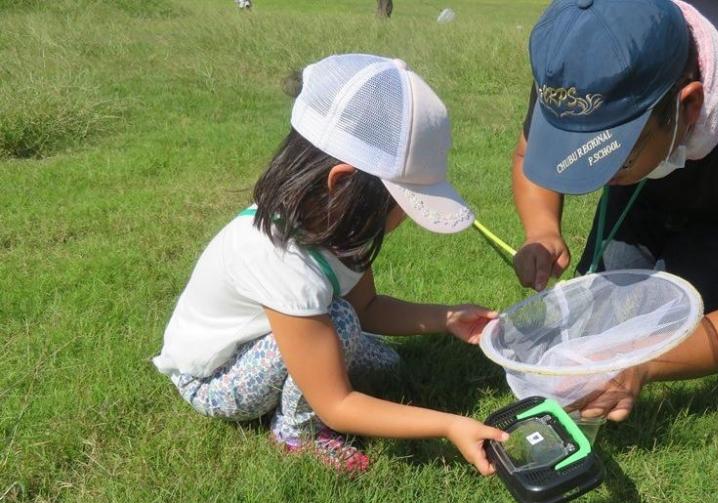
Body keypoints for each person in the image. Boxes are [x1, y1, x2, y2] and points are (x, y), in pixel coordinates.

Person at [154, 54, 507, 476]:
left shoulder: (339, 229)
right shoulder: (274, 256)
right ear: (342, 185)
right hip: (215, 380)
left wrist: (446, 318)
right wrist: (449, 424)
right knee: (339, 326)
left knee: (384, 362)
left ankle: (305, 387)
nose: (405, 219)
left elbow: (369, 308)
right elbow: (337, 404)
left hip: (279, 337)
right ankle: (295, 433)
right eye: (402, 203)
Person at [511, 0, 718, 422]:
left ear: (690, 106)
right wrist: (542, 229)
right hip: (656, 157)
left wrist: (642, 363)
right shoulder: (575, 72)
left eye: (614, 157)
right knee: (607, 315)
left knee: (684, 315)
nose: (593, 179)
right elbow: (528, 156)